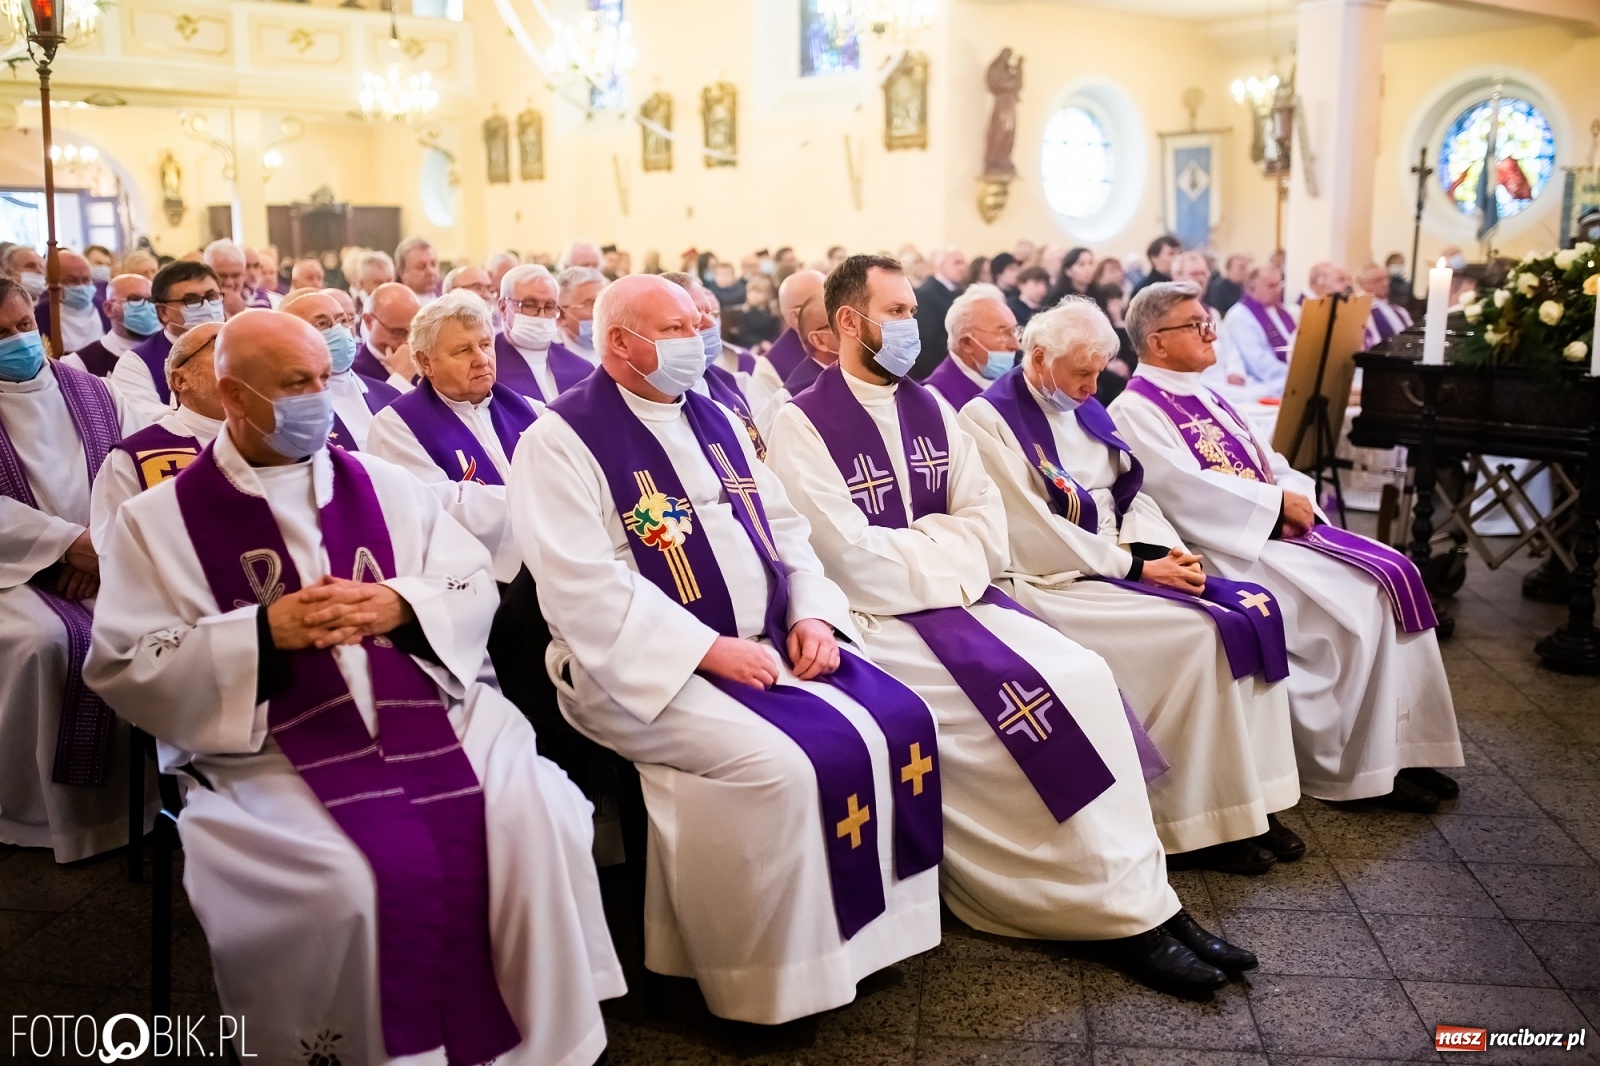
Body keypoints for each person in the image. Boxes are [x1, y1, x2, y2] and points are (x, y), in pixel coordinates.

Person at [86, 307, 623, 1065]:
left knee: (538, 820)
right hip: (265, 745)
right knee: (347, 881)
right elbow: (125, 661)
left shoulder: (387, 486)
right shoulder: (156, 522)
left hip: (426, 714)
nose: (319, 394)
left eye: (322, 379)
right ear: (234, 396)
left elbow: (470, 580)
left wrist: (405, 603)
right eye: (294, 384)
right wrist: (261, 634)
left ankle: (540, 1041)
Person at [765, 255, 1255, 1001]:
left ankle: (1149, 896)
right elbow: (845, 553)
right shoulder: (800, 422)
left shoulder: (930, 407)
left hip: (964, 599)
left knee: (1086, 674)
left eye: (910, 310)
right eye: (895, 312)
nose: (911, 325)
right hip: (882, 621)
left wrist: (943, 557)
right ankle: (1099, 911)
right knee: (1039, 695)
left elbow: (986, 525)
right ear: (848, 323)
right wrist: (945, 557)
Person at [509, 273, 942, 1023]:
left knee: (902, 719)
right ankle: (765, 978)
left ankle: (867, 941)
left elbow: (788, 533)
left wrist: (811, 615)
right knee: (775, 768)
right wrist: (705, 650)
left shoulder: (714, 416)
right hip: (636, 664)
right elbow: (582, 586)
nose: (696, 341)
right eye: (675, 329)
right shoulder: (559, 440)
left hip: (769, 639)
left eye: (696, 325)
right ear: (618, 342)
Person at [960, 298, 1301, 873]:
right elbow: (1030, 528)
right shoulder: (988, 418)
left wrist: (1163, 548)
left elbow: (1129, 491)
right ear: (1039, 358)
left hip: (1118, 560)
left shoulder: (1084, 406)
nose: (1094, 388)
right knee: (1196, 638)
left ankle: (1254, 802)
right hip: (1053, 580)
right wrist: (1136, 568)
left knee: (1251, 612)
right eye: (1082, 373)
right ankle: (1194, 823)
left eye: (1099, 373)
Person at [1111, 283, 1464, 812]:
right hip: (1229, 547)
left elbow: (1266, 458)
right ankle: (1350, 765)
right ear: (1157, 342)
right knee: (1359, 602)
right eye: (1195, 325)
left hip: (1269, 530)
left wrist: (1292, 494)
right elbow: (1184, 490)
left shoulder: (1206, 393)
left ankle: (1401, 749)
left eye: (1208, 322)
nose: (1211, 333)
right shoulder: (1135, 410)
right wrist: (1276, 506)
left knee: (1391, 578)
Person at [0, 276, 150, 863]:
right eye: (2, 334)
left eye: (23, 327)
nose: (19, 340)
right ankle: (39, 812)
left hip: (103, 558)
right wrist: (63, 545)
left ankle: (139, 799)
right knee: (42, 642)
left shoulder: (95, 392)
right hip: (17, 570)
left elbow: (139, 465)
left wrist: (102, 549)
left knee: (139, 629)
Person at [367, 292, 535, 583]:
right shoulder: (396, 426)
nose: (482, 359)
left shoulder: (531, 409)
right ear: (425, 362)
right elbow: (435, 505)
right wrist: (541, 503)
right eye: (463, 351)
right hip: (465, 582)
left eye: (485, 344)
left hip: (541, 568)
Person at [89, 323, 224, 552]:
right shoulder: (134, 458)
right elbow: (117, 555)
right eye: (220, 346)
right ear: (180, 380)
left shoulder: (279, 444)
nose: (242, 360)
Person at [282, 289, 398, 450]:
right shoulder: (291, 411)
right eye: (322, 324)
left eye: (344, 320)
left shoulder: (390, 395)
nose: (340, 332)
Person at [111, 260, 224, 422]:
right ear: (163, 311)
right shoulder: (136, 363)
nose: (206, 305)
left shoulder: (243, 344)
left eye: (211, 297)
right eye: (191, 300)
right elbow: (143, 418)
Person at [496, 264, 594, 404]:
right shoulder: (487, 368)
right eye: (529, 305)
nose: (541, 315)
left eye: (549, 307)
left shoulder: (582, 370)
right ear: (503, 307)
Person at [922, 284, 1020, 410]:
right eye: (1004, 334)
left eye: (1014, 331)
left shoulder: (1013, 382)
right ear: (967, 343)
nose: (1016, 345)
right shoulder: (936, 400)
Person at [1174, 251, 1252, 401]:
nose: (1200, 279)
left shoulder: (1212, 313)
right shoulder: (1171, 315)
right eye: (1194, 273)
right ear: (1178, 276)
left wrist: (1235, 371)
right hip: (1198, 386)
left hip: (1225, 381)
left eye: (1203, 273)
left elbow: (1230, 348)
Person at [1219, 265, 1297, 397]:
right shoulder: (1240, 316)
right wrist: (1296, 374)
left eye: (1280, 284)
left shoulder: (1281, 310)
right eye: (1271, 286)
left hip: (1288, 376)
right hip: (1268, 384)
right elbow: (1258, 363)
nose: (1278, 290)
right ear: (1251, 288)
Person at [63, 273, 158, 378]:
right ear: (109, 308)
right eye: (135, 299)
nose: (147, 307)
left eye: (151, 300)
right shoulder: (79, 364)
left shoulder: (171, 351)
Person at [35, 250, 110, 356]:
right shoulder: (39, 315)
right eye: (72, 280)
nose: (81, 286)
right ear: (50, 282)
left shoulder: (106, 309)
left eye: (86, 279)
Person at [357, 281, 423, 393]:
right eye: (397, 332)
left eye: (413, 332)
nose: (406, 341)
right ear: (369, 321)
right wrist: (401, 379)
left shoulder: (425, 363)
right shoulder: (355, 371)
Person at [912, 247, 966, 378]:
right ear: (941, 265)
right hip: (936, 368)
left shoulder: (960, 292)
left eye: (963, 263)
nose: (962, 268)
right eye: (956, 263)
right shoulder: (926, 293)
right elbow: (929, 338)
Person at [555, 266, 607, 363]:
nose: (603, 312)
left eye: (605, 303)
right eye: (593, 304)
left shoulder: (624, 351)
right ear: (561, 315)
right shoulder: (547, 357)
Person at [1357, 261, 1414, 349]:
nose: (1385, 283)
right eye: (1377, 280)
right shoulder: (1361, 311)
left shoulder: (1400, 311)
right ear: (1362, 284)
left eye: (1386, 278)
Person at [203, 239, 252, 319]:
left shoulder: (263, 308)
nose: (229, 283)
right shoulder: (194, 313)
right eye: (222, 276)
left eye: (236, 275)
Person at [735, 272, 782, 349]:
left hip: (769, 346)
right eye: (750, 292)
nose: (753, 295)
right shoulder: (746, 313)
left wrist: (770, 344)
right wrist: (760, 343)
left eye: (758, 292)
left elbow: (776, 333)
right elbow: (744, 335)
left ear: (768, 294)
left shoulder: (772, 312)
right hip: (749, 345)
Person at [396, 237, 441, 304]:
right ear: (402, 273)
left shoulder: (446, 301)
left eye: (433, 264)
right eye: (421, 267)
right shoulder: (397, 308)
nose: (430, 271)